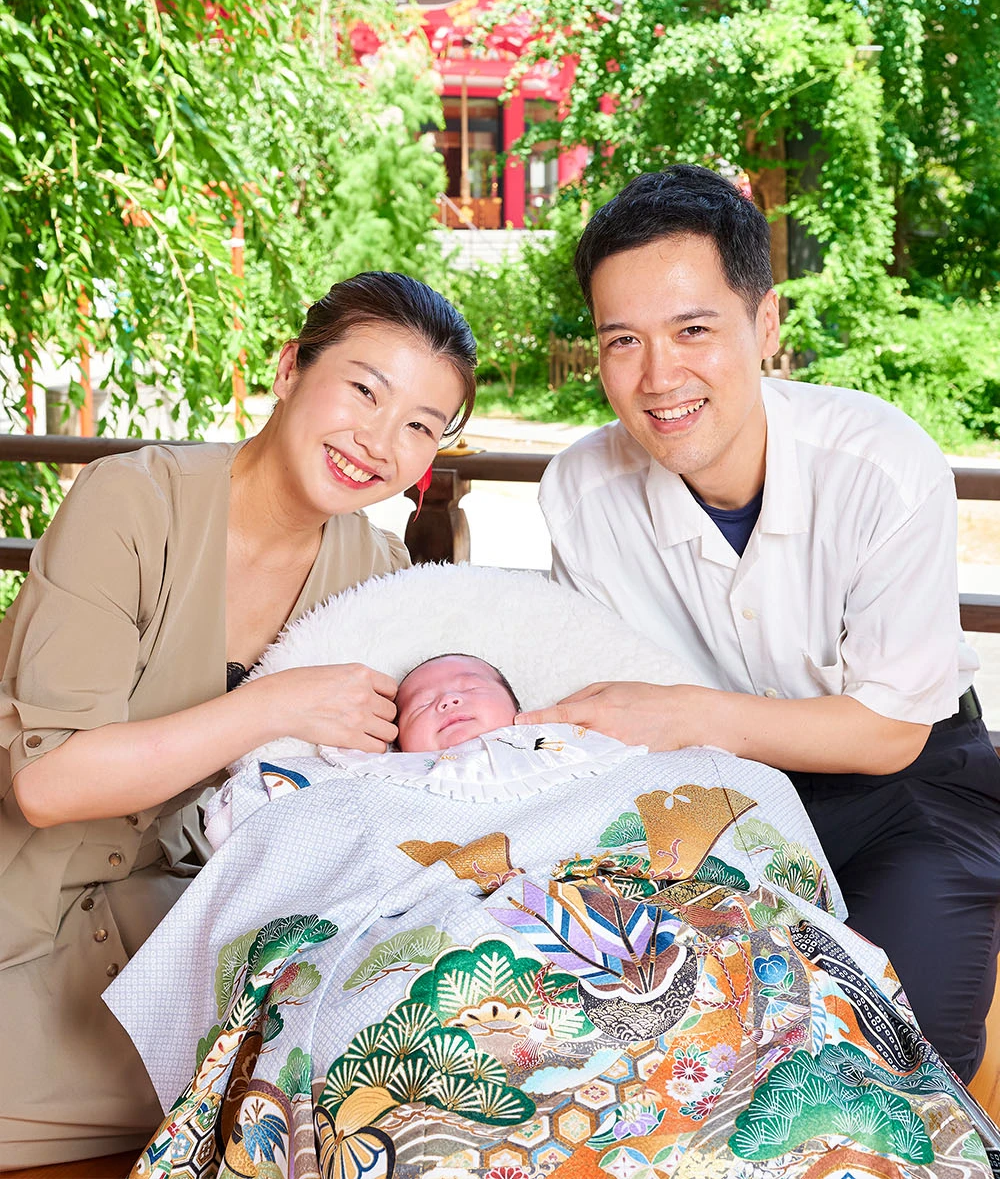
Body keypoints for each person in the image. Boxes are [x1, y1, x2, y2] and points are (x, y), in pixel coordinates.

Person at [531, 164, 1000, 1082]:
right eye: (622, 340)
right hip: (706, 796)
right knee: (644, 1043)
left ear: (766, 324)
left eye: (693, 329)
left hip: (908, 783)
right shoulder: (579, 489)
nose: (659, 376)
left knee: (900, 1065)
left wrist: (689, 713)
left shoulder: (882, 463)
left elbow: (891, 730)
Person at [0, 270, 476, 1169]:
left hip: (172, 929)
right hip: (15, 896)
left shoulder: (374, 577)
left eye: (419, 425)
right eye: (364, 390)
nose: (379, 440)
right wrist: (268, 705)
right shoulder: (130, 502)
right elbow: (48, 783)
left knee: (370, 1099)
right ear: (292, 367)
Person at [394, 653, 520, 751]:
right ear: (397, 749)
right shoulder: (387, 771)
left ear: (519, 714)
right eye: (423, 704)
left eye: (471, 687)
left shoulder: (537, 744)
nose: (447, 699)